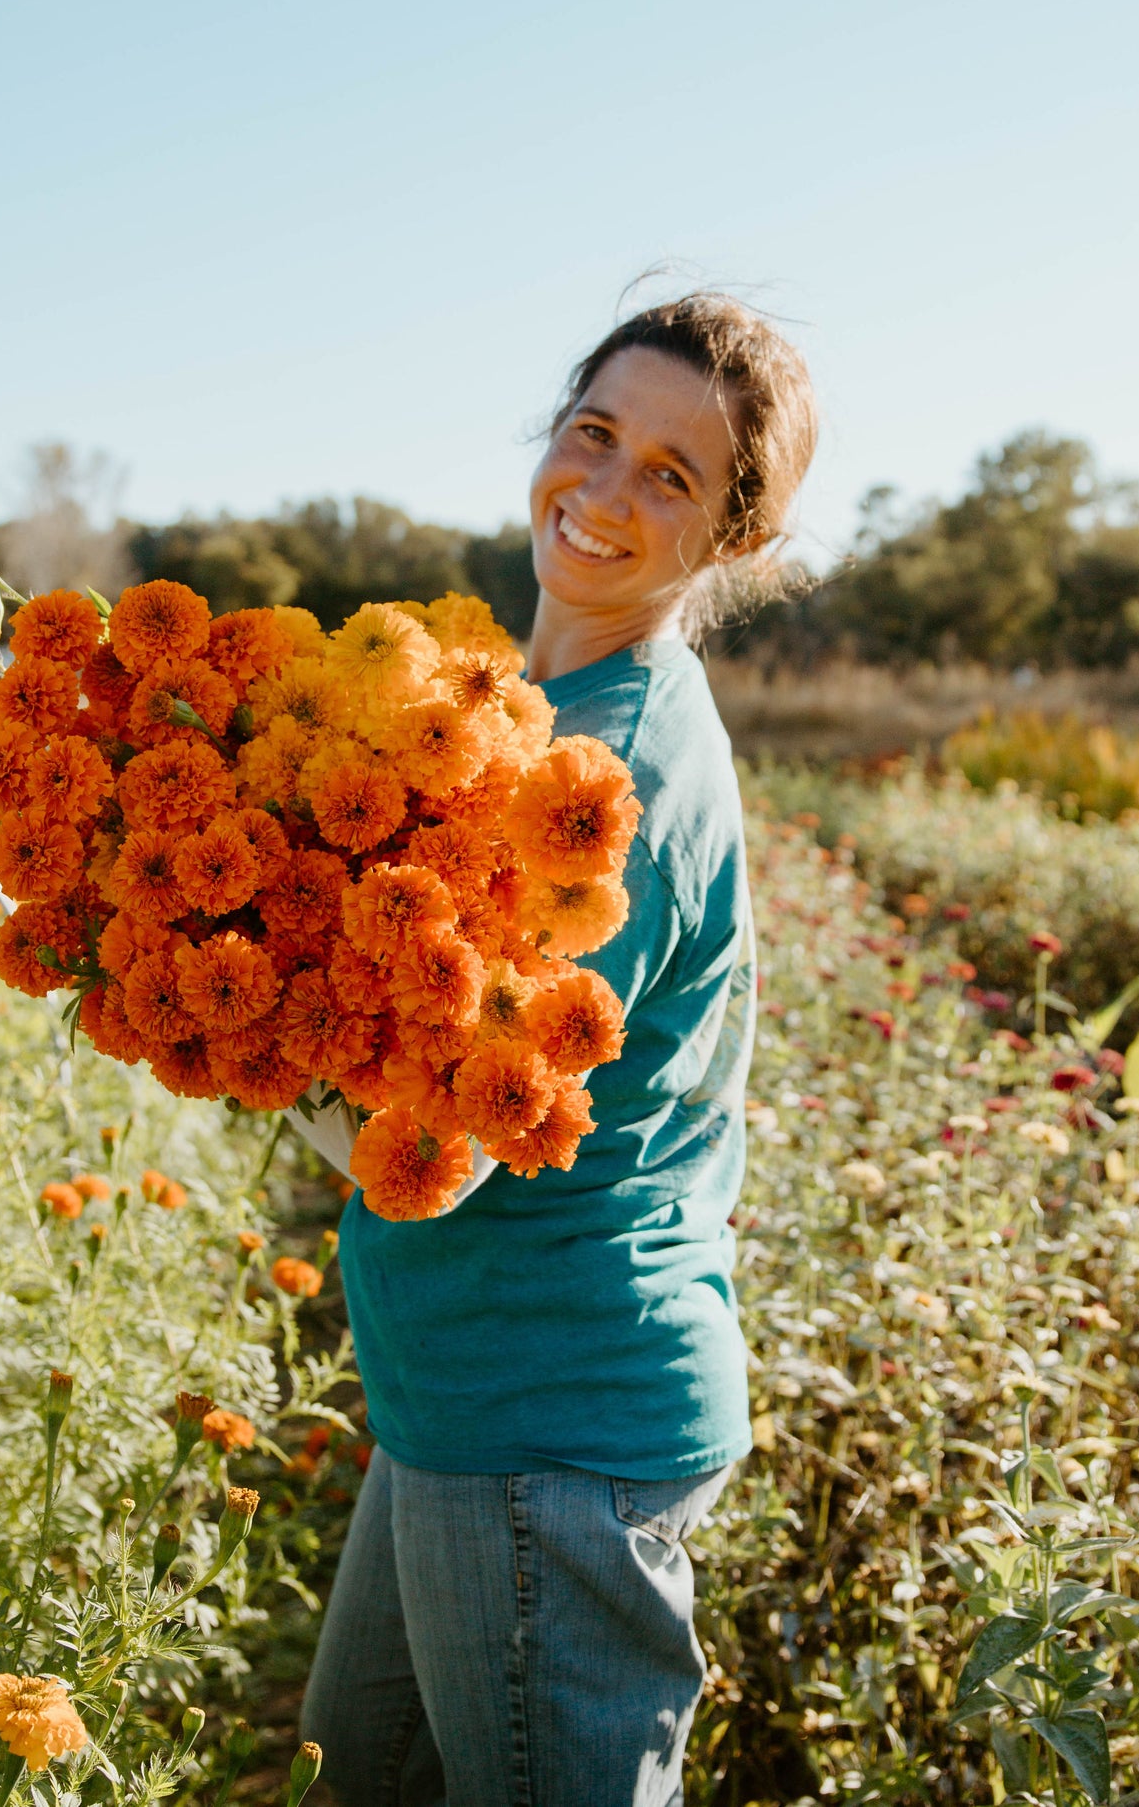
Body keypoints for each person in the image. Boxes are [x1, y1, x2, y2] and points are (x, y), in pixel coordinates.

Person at [301, 291, 818, 1806]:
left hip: (550, 1430)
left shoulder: (607, 780)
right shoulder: (549, 712)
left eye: (671, 475)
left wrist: (223, 1011)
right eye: (594, 434)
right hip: (466, 1398)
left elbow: (437, 1158)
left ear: (730, 540)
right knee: (356, 1782)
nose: (602, 493)